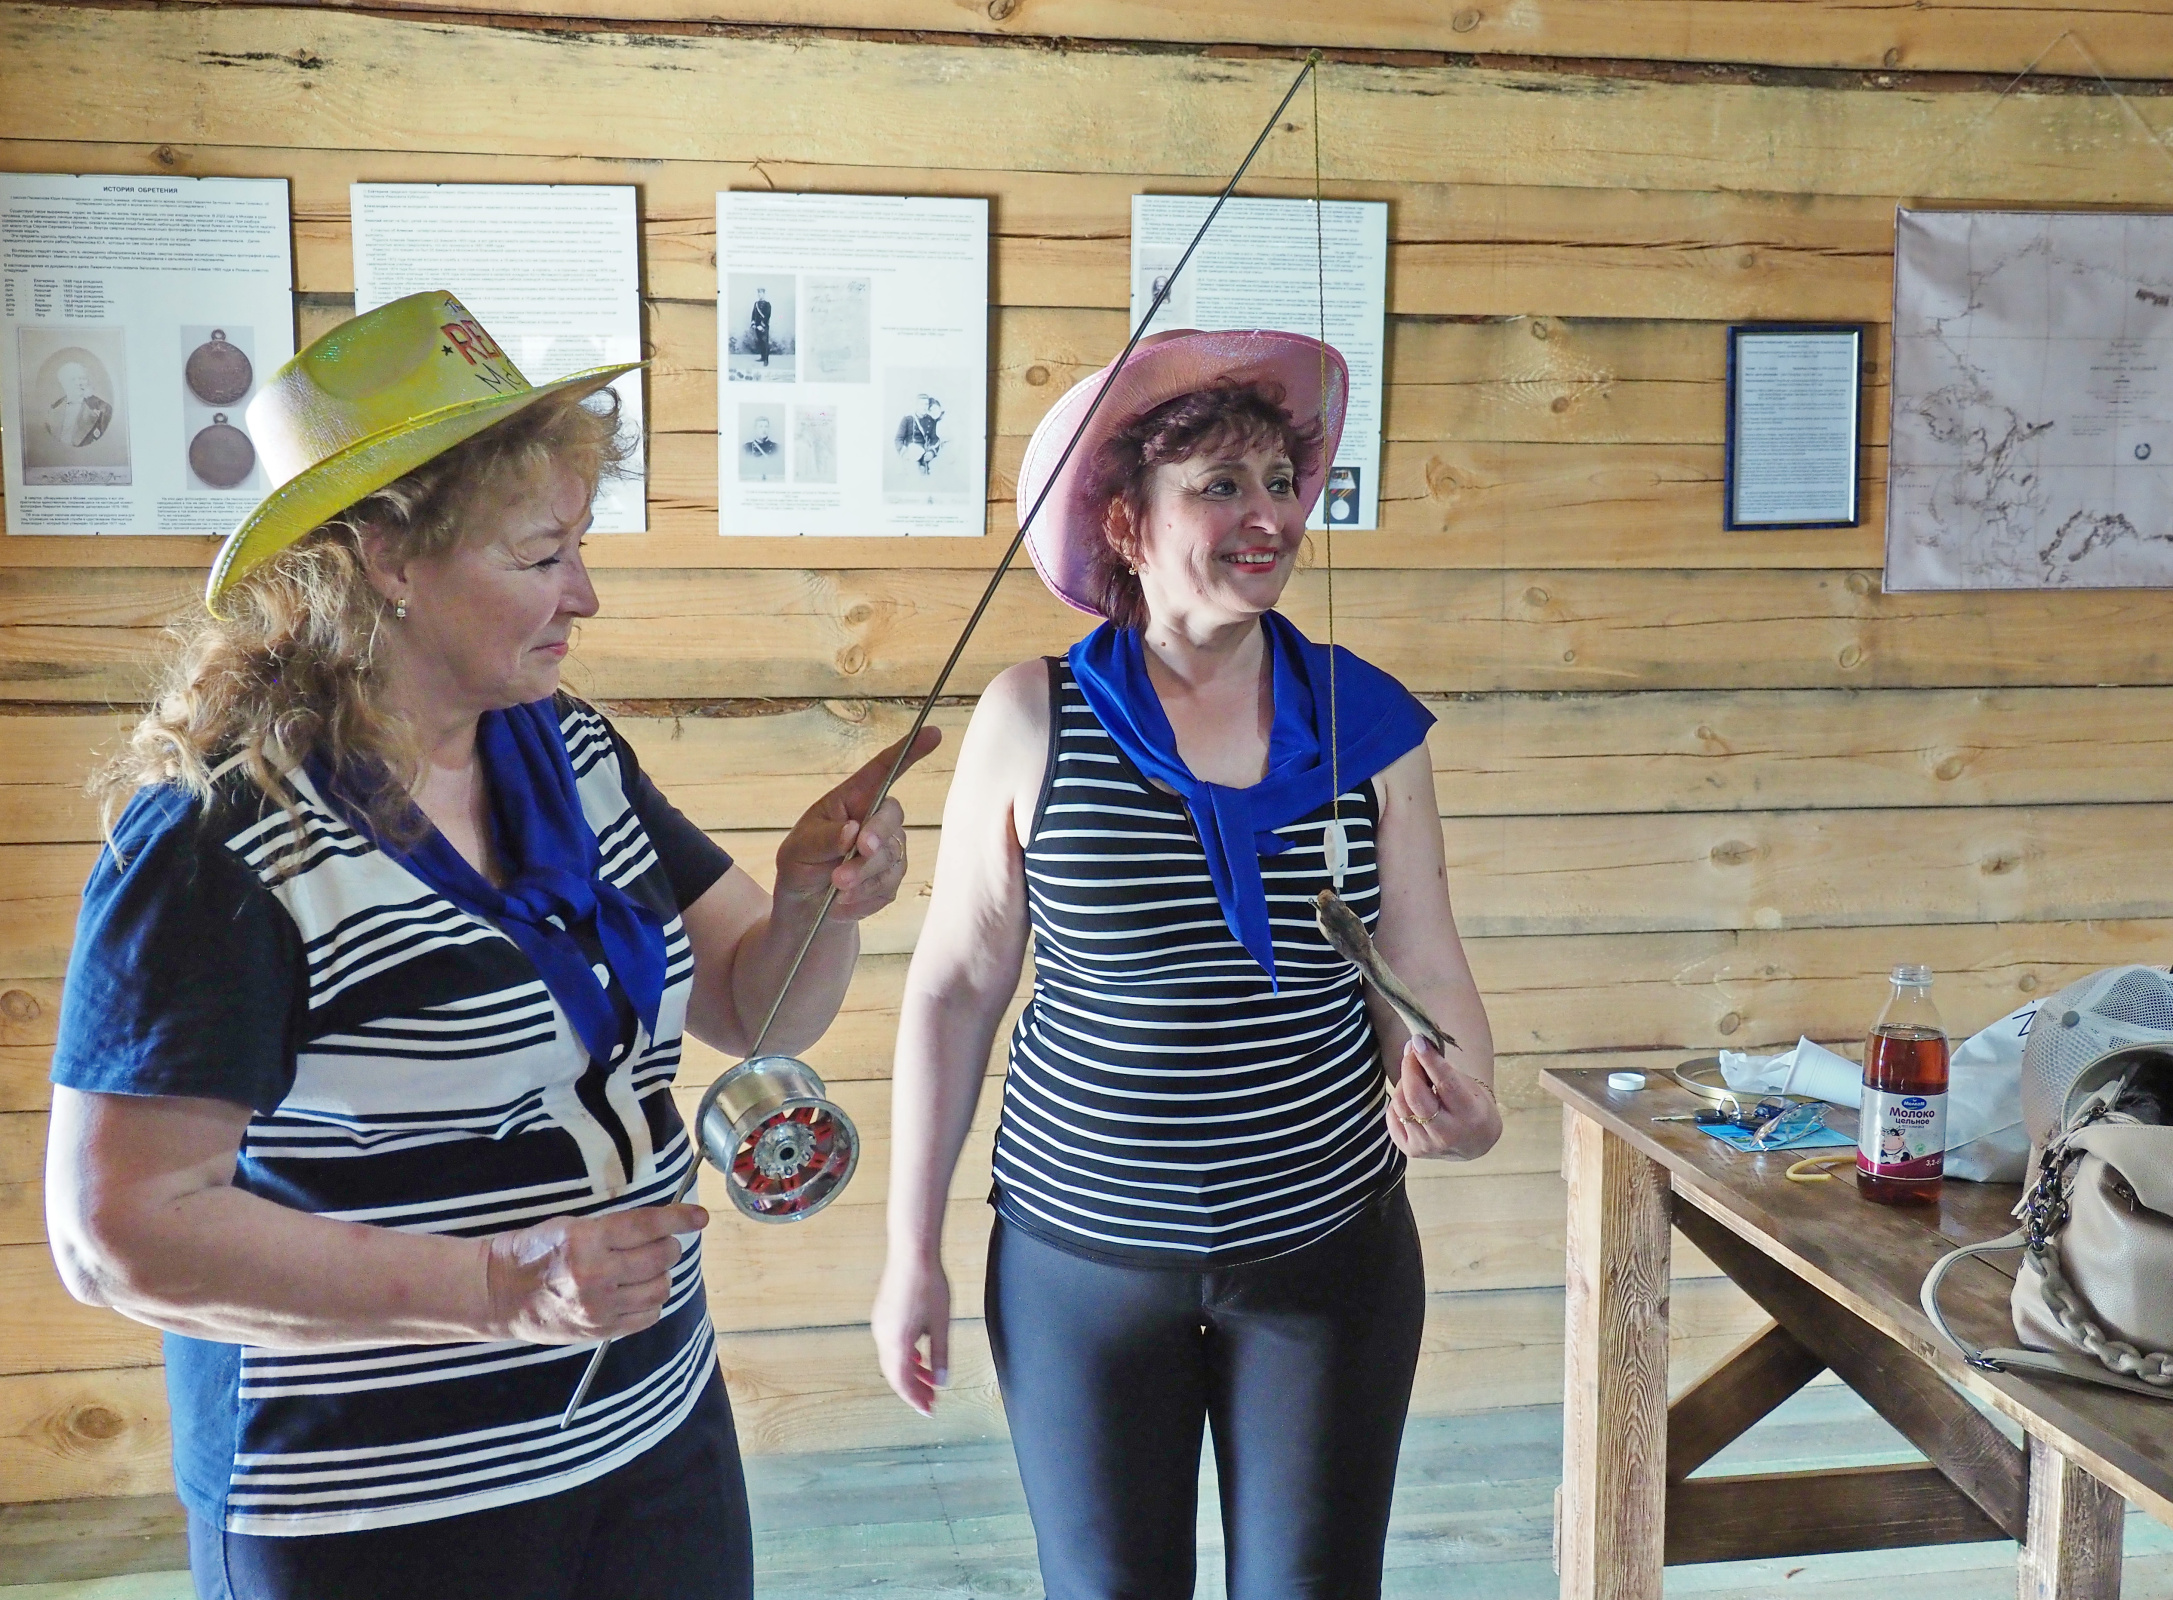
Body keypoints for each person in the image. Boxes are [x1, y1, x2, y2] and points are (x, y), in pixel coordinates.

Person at [44, 290, 934, 1600]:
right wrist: (492, 1289)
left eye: (580, 545)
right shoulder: (220, 835)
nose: (585, 594)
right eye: (539, 555)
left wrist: (814, 903)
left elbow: (760, 1011)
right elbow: (116, 1234)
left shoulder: (572, 751)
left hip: (648, 1433)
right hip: (371, 1503)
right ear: (386, 560)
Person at [873, 328, 1498, 1600]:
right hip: (1079, 1266)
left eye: (1280, 481)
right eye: (1220, 485)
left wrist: (1466, 1093)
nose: (1267, 515)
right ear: (1126, 522)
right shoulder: (1032, 715)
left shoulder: (1367, 723)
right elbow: (954, 988)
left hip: (1325, 1253)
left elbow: (1418, 956)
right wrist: (909, 1251)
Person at [46, 359, 112, 447]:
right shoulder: (54, 408)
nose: (79, 383)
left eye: (82, 378)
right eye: (73, 379)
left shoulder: (103, 408)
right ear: (63, 383)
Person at [894, 394, 944, 474]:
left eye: (926, 404)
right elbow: (898, 439)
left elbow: (934, 439)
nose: (924, 407)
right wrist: (904, 452)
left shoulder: (930, 420)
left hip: (925, 455)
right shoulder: (908, 419)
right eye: (921, 404)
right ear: (916, 405)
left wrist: (931, 453)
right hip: (910, 454)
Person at [748, 288, 772, 368]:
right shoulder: (756, 304)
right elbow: (753, 314)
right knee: (760, 342)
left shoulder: (767, 304)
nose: (759, 294)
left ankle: (766, 360)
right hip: (757, 326)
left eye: (761, 293)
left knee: (765, 342)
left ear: (764, 294)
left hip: (764, 326)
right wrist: (753, 323)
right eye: (758, 293)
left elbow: (767, 316)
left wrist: (761, 325)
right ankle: (762, 357)